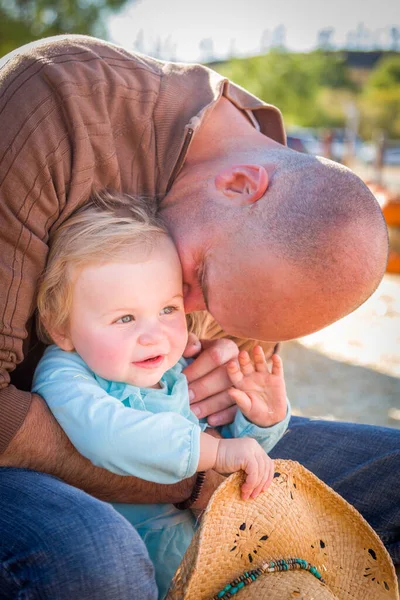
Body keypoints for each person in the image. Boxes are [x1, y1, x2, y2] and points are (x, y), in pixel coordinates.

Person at [0, 34, 398, 599]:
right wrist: (199, 474)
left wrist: (252, 408)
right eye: (200, 283)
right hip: (33, 455)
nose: (184, 320)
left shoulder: (276, 236)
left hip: (194, 446)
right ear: (239, 185)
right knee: (97, 556)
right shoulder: (54, 103)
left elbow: (234, 418)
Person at [31, 191, 290, 597]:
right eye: (125, 317)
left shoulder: (175, 369)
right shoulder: (66, 374)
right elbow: (109, 436)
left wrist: (259, 421)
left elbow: (237, 468)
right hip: (126, 568)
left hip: (197, 562)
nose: (154, 334)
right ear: (61, 326)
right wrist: (218, 453)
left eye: (168, 309)